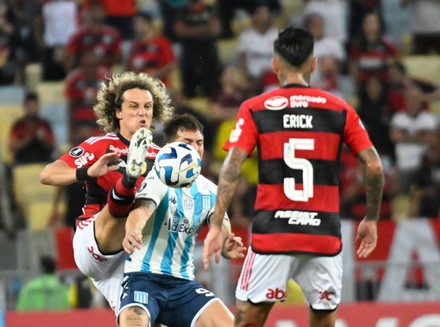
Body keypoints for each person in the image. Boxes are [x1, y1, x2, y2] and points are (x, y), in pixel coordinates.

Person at [203, 27, 385, 327]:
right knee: (323, 319)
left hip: (273, 233)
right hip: (323, 234)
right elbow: (375, 167)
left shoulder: (255, 108)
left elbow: (232, 165)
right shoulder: (339, 109)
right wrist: (372, 219)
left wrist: (216, 224)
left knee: (249, 319)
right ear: (313, 64)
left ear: (275, 64)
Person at [40, 71, 174, 312]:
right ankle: (129, 179)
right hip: (94, 241)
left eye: (148, 107)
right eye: (133, 106)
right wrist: (87, 172)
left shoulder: (163, 157)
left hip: (131, 254)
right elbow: (47, 174)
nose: (142, 113)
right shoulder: (100, 146)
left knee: (141, 317)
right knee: (123, 205)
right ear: (118, 112)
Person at [119, 113, 246, 327]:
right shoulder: (157, 178)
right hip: (143, 279)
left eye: (199, 143)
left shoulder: (211, 190)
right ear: (168, 148)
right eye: (187, 143)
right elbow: (141, 210)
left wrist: (226, 244)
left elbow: (220, 224)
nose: (195, 149)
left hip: (183, 286)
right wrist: (134, 230)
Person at [8, 92, 55, 165]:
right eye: (29, 106)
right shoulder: (18, 125)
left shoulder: (45, 124)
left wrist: (43, 138)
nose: (32, 109)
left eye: (34, 106)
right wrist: (26, 139)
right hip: (22, 161)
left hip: (42, 160)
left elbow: (51, 147)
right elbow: (12, 147)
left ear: (38, 107)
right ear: (25, 107)